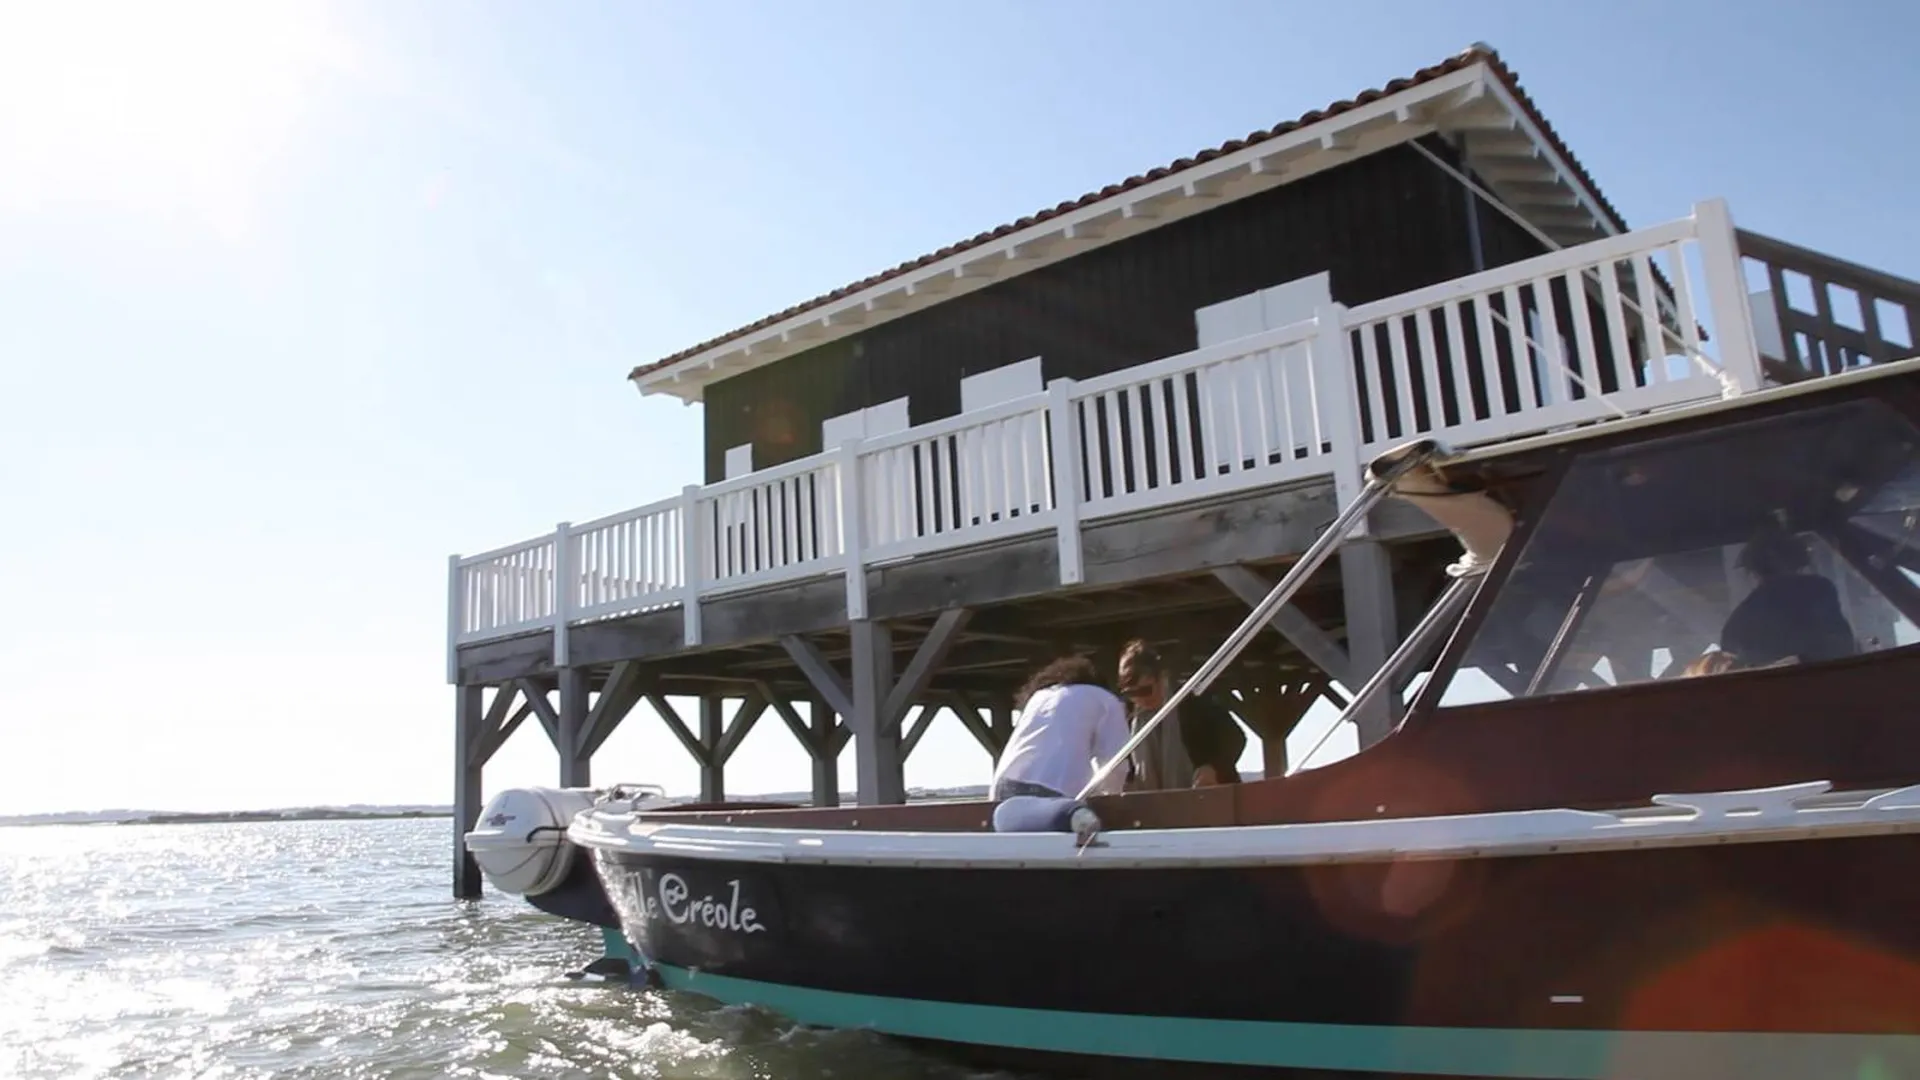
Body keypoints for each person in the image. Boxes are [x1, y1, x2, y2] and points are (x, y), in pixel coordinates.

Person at [989, 654, 1132, 801]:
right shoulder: (1106, 700)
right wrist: (1112, 800)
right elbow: (1114, 763)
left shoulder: (1040, 696)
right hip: (1054, 786)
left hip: (1004, 785)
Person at [1717, 527, 1857, 669]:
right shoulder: (1818, 589)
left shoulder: (1738, 621)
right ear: (1796, 559)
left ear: (1754, 571)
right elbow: (1843, 646)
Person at [1116, 639, 1247, 788]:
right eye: (1132, 693)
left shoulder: (1193, 702)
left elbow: (1235, 738)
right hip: (1156, 805)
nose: (1140, 699)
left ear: (1161, 678)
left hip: (1204, 798)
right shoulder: (1130, 719)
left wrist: (1213, 768)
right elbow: (1129, 769)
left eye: (1145, 690)